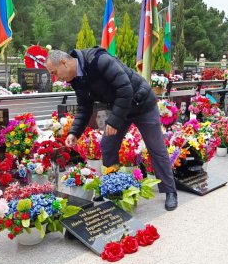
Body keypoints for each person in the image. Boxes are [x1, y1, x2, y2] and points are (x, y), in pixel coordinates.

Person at [45, 48, 178, 211]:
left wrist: (114, 122)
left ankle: (170, 191)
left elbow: (125, 90)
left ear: (64, 63)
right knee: (107, 145)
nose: (56, 78)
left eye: (55, 72)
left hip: (142, 104)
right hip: (121, 109)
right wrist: (74, 132)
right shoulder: (76, 79)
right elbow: (84, 107)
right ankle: (112, 187)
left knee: (156, 148)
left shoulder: (99, 61)